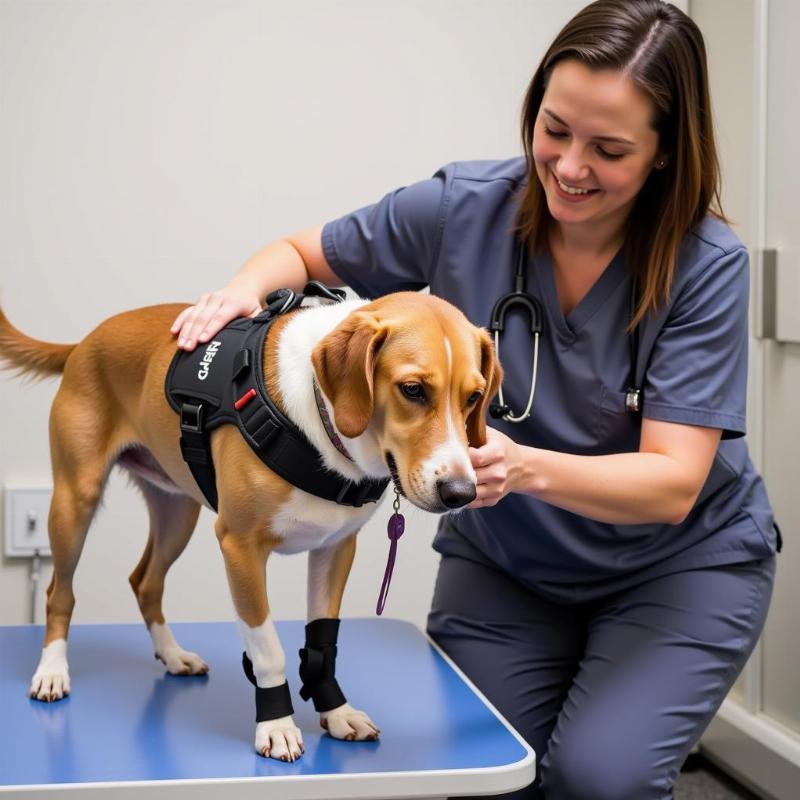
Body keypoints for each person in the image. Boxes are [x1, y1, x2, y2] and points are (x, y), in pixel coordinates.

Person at [172, 1, 779, 797]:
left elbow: (672, 483)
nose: (567, 166)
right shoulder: (465, 208)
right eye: (554, 129)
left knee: (601, 779)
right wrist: (238, 294)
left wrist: (522, 469)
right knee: (490, 774)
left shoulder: (707, 265)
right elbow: (298, 253)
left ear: (665, 154)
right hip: (510, 563)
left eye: (610, 149)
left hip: (675, 569)